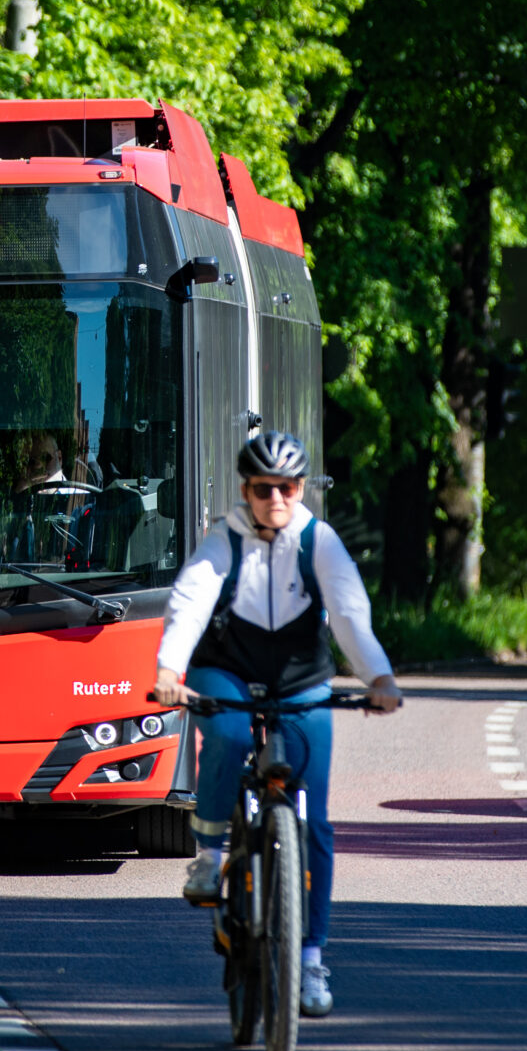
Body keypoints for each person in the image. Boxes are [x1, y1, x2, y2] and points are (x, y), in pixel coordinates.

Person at [150, 430, 401, 1019]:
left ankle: (310, 958)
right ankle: (211, 857)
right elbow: (190, 601)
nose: (276, 500)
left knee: (314, 819)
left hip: (300, 678)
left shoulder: (320, 540)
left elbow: (349, 613)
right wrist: (169, 668)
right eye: (264, 490)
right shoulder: (223, 540)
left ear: (300, 488)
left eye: (287, 488)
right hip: (227, 670)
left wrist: (380, 680)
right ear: (247, 490)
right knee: (231, 735)